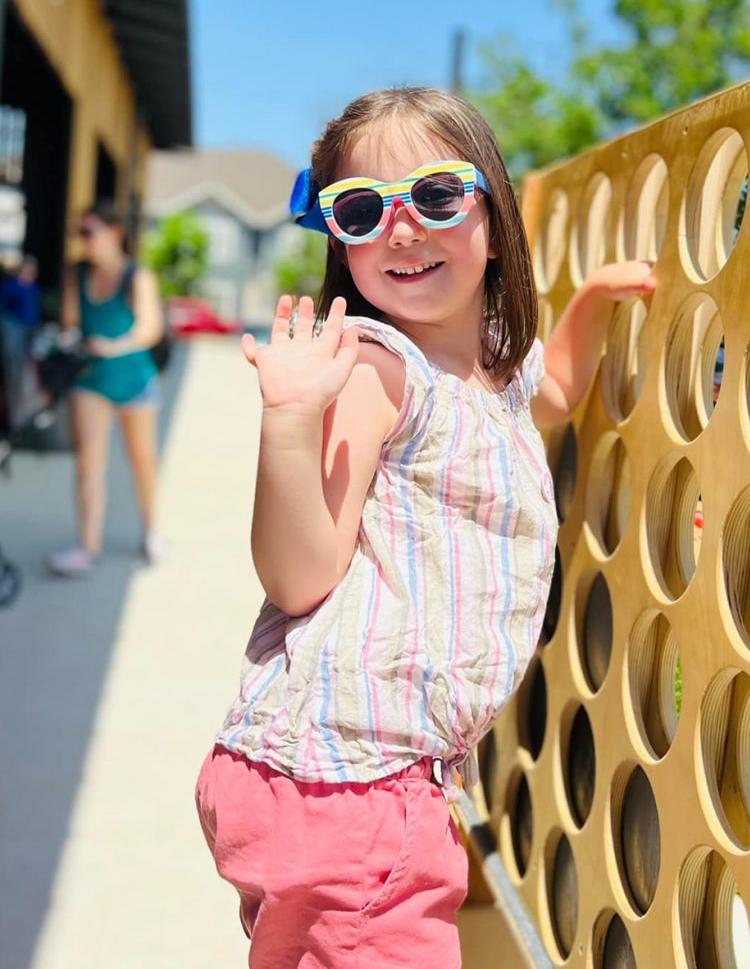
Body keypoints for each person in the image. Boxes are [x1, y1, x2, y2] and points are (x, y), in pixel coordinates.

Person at [194, 87, 656, 968]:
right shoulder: (376, 369)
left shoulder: (490, 358)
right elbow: (300, 578)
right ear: (339, 241)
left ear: (494, 207)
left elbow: (552, 394)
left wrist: (592, 300)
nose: (401, 229)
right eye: (363, 211)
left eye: (436, 196)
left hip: (368, 784)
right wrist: (291, 424)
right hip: (345, 788)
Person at [47, 200, 166, 576]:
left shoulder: (138, 276)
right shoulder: (76, 274)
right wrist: (63, 339)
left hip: (135, 381)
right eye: (79, 233)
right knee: (88, 464)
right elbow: (69, 323)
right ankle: (87, 546)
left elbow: (150, 329)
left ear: (114, 233)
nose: (83, 241)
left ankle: (150, 531)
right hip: (91, 380)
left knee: (142, 462)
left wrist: (114, 346)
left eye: (89, 232)